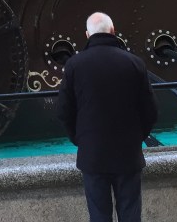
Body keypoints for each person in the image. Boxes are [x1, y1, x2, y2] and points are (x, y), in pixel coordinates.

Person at [56, 12, 158, 222]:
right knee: (131, 213)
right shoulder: (135, 63)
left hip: (92, 153)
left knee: (99, 215)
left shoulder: (74, 65)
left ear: (87, 34)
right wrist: (137, 136)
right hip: (128, 153)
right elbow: (150, 110)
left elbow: (64, 111)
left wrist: (80, 139)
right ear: (113, 31)